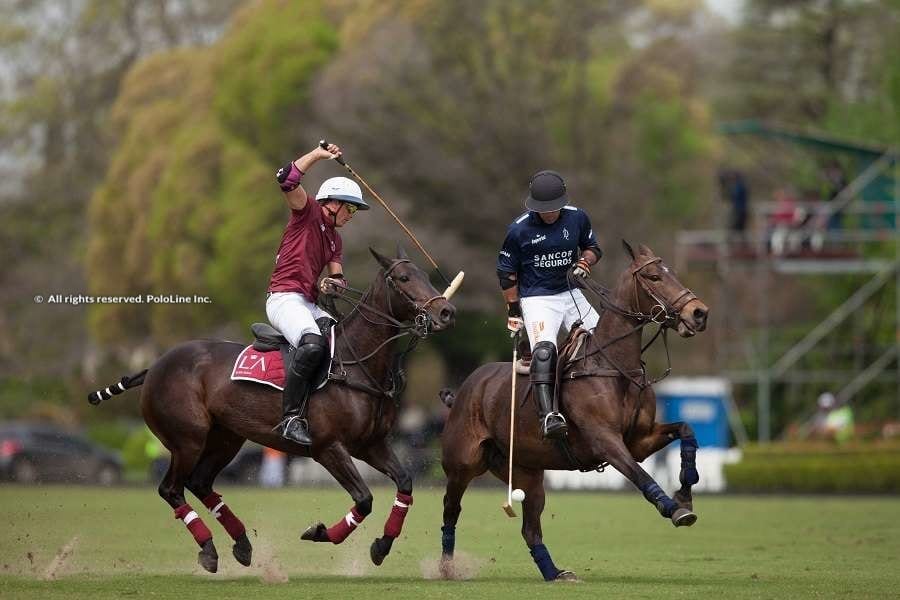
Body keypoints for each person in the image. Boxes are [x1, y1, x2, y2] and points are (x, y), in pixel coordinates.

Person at [268, 142, 370, 445]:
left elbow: (336, 278)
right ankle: (289, 419)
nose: (352, 215)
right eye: (350, 208)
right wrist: (317, 154)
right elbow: (285, 178)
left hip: (309, 303)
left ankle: (326, 410)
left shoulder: (336, 241)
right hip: (284, 298)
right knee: (312, 346)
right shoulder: (306, 212)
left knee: (343, 341)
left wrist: (333, 285)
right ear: (333, 204)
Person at [496, 170, 602, 439]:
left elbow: (593, 247)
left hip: (571, 292)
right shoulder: (519, 229)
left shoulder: (577, 217)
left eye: (554, 209)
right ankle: (548, 417)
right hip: (537, 297)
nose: (550, 214)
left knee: (603, 340)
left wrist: (585, 262)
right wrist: (513, 310)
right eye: (544, 210)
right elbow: (506, 273)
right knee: (544, 351)